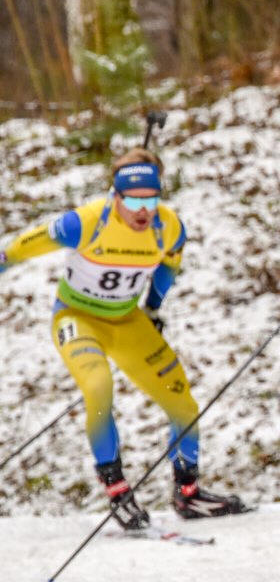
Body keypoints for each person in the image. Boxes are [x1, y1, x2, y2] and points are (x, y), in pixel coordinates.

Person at [0, 149, 248, 529]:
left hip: (128, 321)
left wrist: (153, 309)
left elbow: (168, 267)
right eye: (132, 201)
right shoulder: (84, 222)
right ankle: (117, 490)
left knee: (182, 400)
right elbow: (20, 248)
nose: (142, 210)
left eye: (151, 199)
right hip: (78, 318)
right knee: (98, 386)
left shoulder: (169, 227)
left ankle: (188, 493)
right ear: (115, 196)